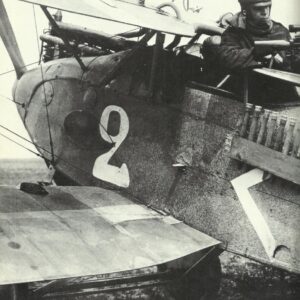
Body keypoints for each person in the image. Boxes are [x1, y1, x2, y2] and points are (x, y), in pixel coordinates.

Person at [203, 0, 299, 104]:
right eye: (258, 8)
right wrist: (258, 52)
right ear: (245, 11)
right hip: (248, 97)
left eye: (267, 7)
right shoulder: (234, 33)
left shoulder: (281, 31)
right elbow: (228, 59)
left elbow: (293, 66)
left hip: (282, 98)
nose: (265, 12)